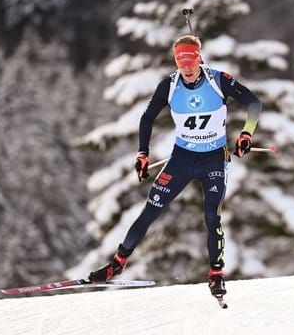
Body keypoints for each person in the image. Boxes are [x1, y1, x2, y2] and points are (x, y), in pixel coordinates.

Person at [88, 34, 262, 297]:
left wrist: (246, 134)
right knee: (151, 209)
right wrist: (142, 153)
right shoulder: (168, 86)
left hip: (213, 158)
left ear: (199, 59)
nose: (188, 68)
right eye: (182, 63)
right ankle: (117, 264)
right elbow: (147, 118)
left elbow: (254, 103)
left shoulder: (218, 81)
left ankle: (216, 273)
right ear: (177, 63)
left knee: (211, 215)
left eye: (192, 61)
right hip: (181, 158)